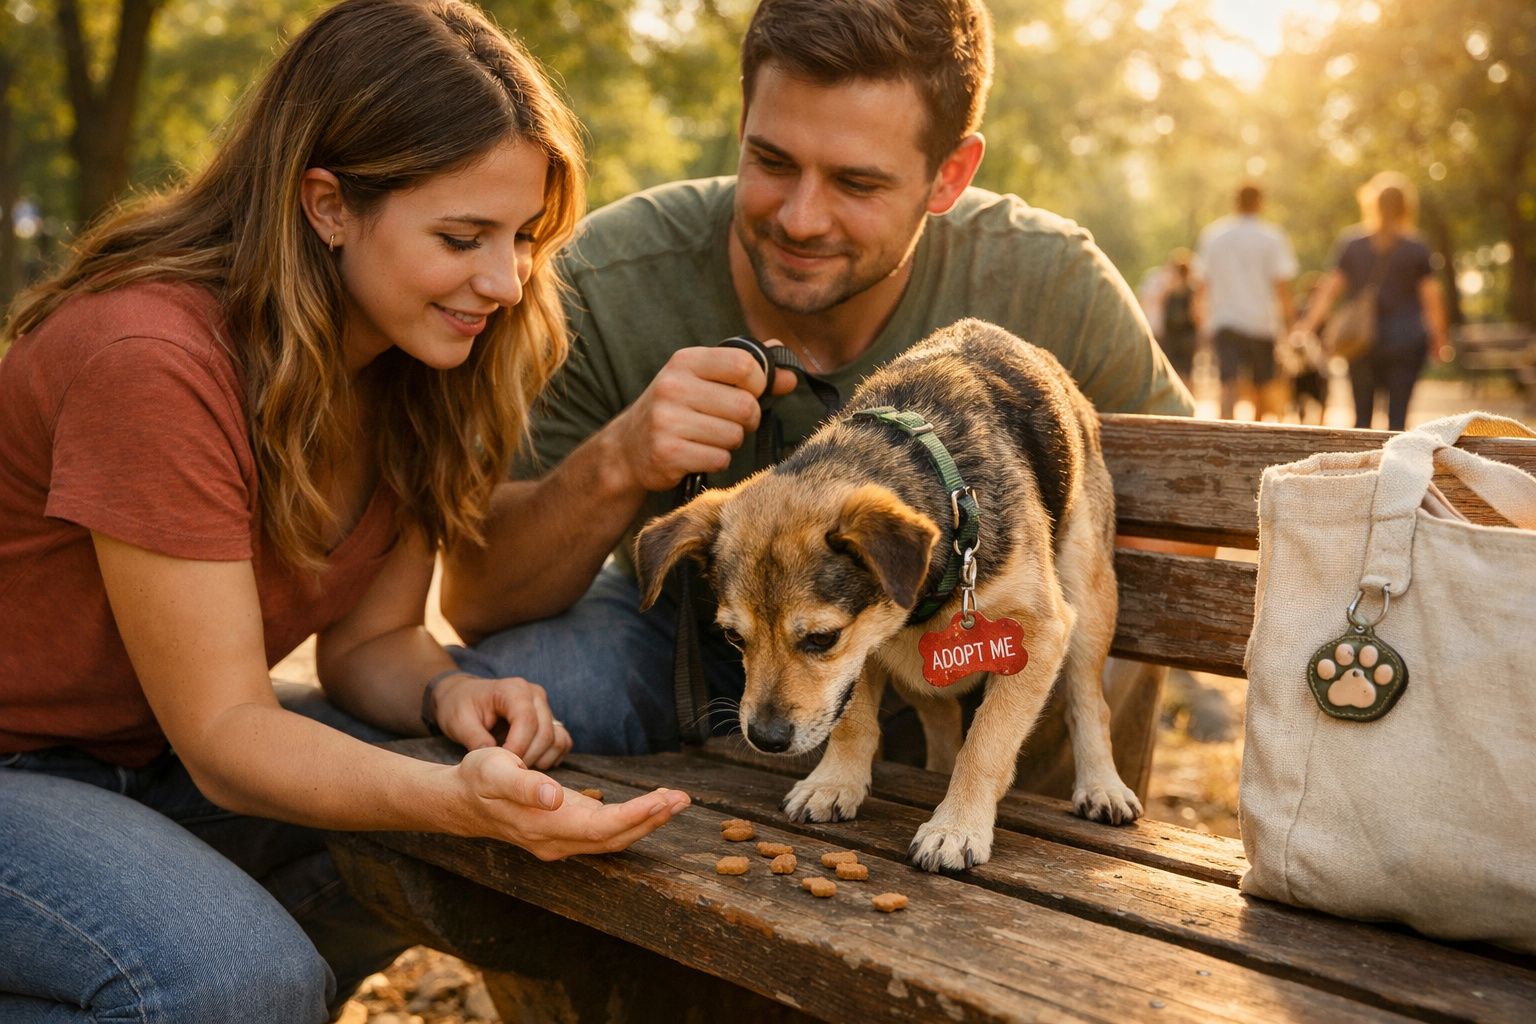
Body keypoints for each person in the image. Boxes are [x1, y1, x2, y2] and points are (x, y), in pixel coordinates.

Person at [0, 2, 689, 1021]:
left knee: (441, 851)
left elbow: (371, 642)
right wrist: (459, 803)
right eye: (464, 237)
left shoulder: (421, 363)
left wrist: (446, 700)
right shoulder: (149, 358)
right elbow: (232, 735)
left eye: (524, 238)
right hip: (26, 767)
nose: (504, 281)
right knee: (240, 976)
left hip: (151, 768)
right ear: (326, 204)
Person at [442, 0, 1194, 768]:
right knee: (532, 682)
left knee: (1076, 623)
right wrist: (621, 460)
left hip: (976, 664)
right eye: (772, 162)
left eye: (856, 183)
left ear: (950, 175)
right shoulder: (604, 279)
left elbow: (1187, 536)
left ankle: (1024, 850)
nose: (801, 218)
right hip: (700, 649)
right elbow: (474, 603)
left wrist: (948, 634)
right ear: (741, 121)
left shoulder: (1052, 280)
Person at [1296, 171, 1448, 431]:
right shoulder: (1416, 247)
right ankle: (1395, 471)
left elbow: (1329, 291)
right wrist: (1439, 339)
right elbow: (1431, 298)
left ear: (1371, 204)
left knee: (1362, 418)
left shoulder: (1352, 244)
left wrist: (1306, 327)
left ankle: (1363, 469)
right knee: (1398, 420)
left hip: (1361, 341)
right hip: (1406, 340)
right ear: (1406, 207)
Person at [1195, 183, 1298, 420]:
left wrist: (1201, 319)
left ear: (1235, 202)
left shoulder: (1214, 235)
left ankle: (1223, 436)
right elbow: (1282, 285)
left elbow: (1203, 284)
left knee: (1228, 383)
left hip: (1225, 320)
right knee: (1261, 386)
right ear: (1260, 203)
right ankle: (1256, 441)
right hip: (1261, 323)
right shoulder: (1272, 237)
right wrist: (1291, 323)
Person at [1141, 247, 1200, 383]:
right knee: (1184, 372)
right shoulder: (1188, 289)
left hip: (1180, 335)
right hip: (1178, 335)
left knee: (1175, 372)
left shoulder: (1187, 290)